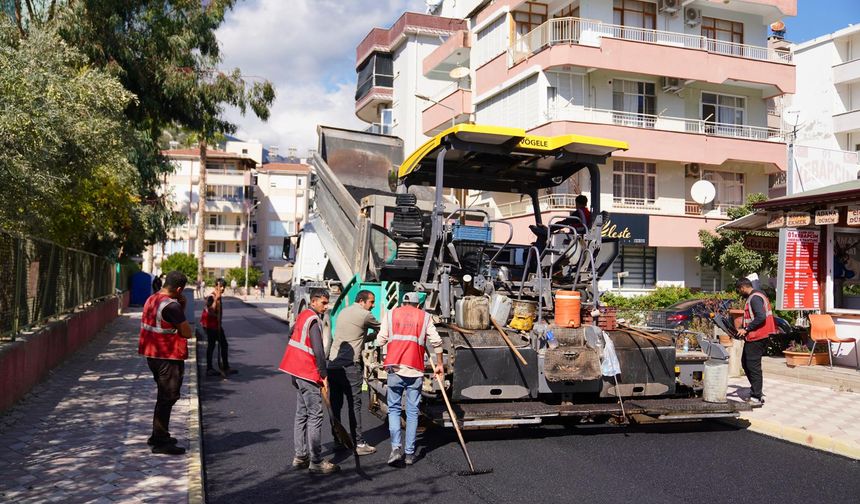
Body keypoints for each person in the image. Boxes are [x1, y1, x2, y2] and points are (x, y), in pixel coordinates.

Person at [375, 292, 444, 467]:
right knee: (413, 413)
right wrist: (439, 364)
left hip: (395, 369)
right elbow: (437, 342)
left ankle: (396, 448)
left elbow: (380, 340)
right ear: (418, 304)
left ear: (403, 302)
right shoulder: (425, 316)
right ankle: (409, 454)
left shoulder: (391, 314)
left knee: (394, 409)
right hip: (415, 371)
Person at [278, 289, 340, 474]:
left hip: (296, 370)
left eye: (327, 302)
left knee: (302, 414)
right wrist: (323, 374)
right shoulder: (314, 320)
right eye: (323, 302)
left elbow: (291, 337)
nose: (326, 306)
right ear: (313, 302)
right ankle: (316, 461)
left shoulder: (303, 315)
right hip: (307, 372)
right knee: (315, 416)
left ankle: (300, 456)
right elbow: (319, 350)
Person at [138, 270, 193, 455]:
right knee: (167, 397)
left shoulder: (151, 299)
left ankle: (158, 435)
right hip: (167, 357)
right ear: (179, 289)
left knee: (164, 396)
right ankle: (160, 440)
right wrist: (182, 306)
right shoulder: (172, 307)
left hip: (152, 354)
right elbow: (186, 332)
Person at [326, 290, 381, 456]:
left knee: (336, 405)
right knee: (354, 405)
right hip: (350, 367)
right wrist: (377, 335)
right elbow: (384, 329)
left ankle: (338, 440)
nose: (373, 305)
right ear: (362, 301)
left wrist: (368, 337)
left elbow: (355, 337)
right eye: (371, 302)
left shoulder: (344, 311)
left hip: (333, 366)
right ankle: (358, 443)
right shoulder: (365, 315)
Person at [735, 278, 777, 407]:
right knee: (745, 363)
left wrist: (746, 329)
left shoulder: (755, 298)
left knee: (753, 366)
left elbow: (761, 316)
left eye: (739, 290)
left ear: (743, 287)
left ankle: (756, 396)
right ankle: (756, 390)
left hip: (757, 337)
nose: (739, 293)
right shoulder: (757, 295)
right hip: (754, 336)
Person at [201, 278, 237, 378]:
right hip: (210, 326)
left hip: (216, 325)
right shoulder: (212, 297)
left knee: (223, 345)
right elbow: (211, 310)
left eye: (223, 286)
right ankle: (209, 369)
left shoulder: (218, 296)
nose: (222, 288)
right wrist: (216, 299)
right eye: (220, 286)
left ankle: (225, 367)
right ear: (216, 286)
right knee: (213, 346)